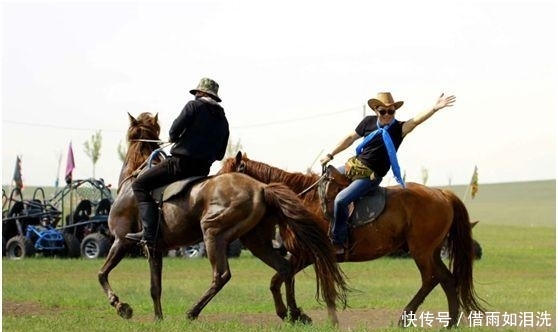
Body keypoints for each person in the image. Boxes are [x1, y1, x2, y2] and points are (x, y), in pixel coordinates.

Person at [320, 92, 456, 254]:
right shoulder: (367, 122)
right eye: (383, 111)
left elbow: (415, 121)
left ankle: (338, 242)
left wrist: (434, 108)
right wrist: (331, 154)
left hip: (370, 177)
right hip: (354, 167)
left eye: (391, 111)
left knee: (341, 200)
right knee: (324, 180)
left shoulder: (399, 129)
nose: (387, 115)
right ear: (376, 111)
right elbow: (350, 138)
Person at [126, 77, 230, 246]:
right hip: (203, 171)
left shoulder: (193, 106)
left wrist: (179, 138)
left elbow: (174, 132)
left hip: (180, 165)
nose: (196, 95)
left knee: (139, 184)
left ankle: (149, 233)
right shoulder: (223, 119)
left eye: (198, 92)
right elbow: (220, 154)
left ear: (202, 92)